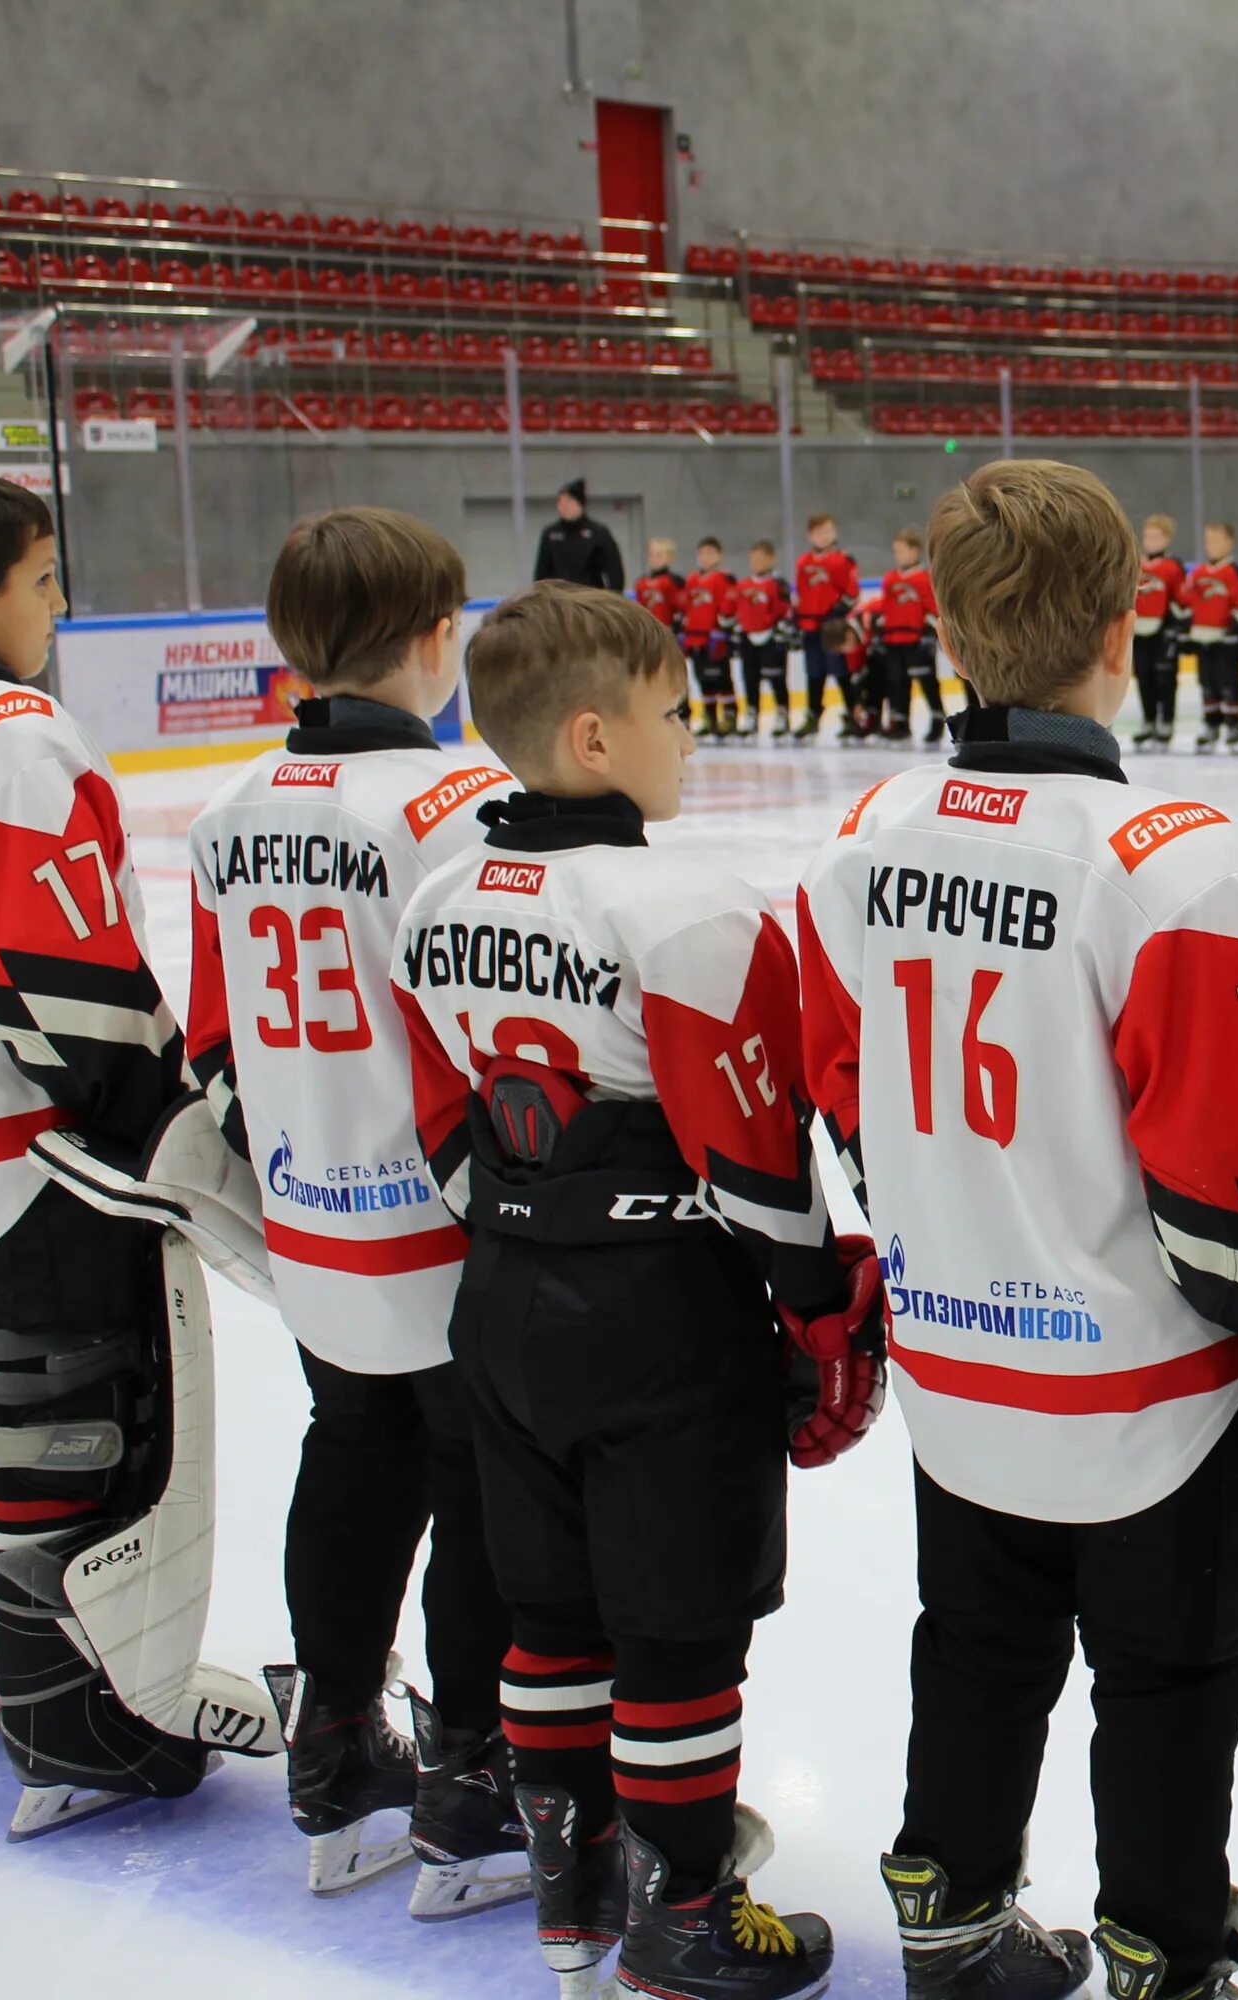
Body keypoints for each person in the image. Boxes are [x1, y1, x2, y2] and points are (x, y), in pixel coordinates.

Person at [795, 459, 1238, 2000]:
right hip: (1151, 1389)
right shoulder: (1180, 868)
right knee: (1167, 1681)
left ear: (941, 634)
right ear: (1128, 625)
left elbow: (846, 1096)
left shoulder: (861, 839)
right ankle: (1160, 1947)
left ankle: (948, 1913)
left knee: (976, 1646)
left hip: (959, 1364)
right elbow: (1231, 1190)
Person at [391, 582, 882, 2000]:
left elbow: (445, 1127)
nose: (694, 732)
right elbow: (754, 1155)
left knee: (550, 1618)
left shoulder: (441, 895)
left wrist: (536, 1226)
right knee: (678, 1631)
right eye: (674, 713)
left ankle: (574, 1888)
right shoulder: (689, 905)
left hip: (504, 1305)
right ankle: (684, 1915)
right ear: (598, 736)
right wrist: (816, 1309)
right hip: (661, 1318)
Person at [0, 461, 280, 1832]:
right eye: (42, 582)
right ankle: (73, 1719)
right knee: (70, 1409)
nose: (58, 608)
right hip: (19, 1153)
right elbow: (52, 979)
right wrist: (167, 1127)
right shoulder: (2, 734)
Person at [185, 509, 524, 1912]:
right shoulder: (455, 808)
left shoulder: (228, 813)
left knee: (354, 1447)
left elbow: (214, 1044)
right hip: (443, 1222)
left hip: (312, 1213)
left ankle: (331, 1749)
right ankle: (473, 1770)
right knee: (479, 1488)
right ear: (441, 640)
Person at [1184, 520, 1238, 754]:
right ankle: (1211, 724)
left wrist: (1235, 628)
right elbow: (1190, 603)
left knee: (1229, 684)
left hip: (1226, 641)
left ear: (1230, 542)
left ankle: (1234, 726)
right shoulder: (1198, 573)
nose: (1211, 545)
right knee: (1207, 684)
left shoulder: (1236, 572)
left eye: (1217, 540)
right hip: (1203, 638)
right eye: (1208, 540)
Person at [871, 529, 941, 746]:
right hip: (893, 640)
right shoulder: (890, 579)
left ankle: (938, 721)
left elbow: (934, 609)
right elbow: (885, 608)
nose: (898, 555)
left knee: (927, 681)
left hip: (917, 640)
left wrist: (930, 632)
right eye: (895, 551)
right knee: (897, 683)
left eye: (901, 550)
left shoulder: (925, 579)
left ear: (914, 551)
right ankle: (901, 725)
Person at [794, 514, 860, 742]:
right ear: (810, 535)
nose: (824, 536)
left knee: (842, 673)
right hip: (810, 627)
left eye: (828, 531)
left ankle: (853, 716)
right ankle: (813, 716)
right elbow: (802, 595)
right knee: (814, 674)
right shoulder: (803, 563)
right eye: (819, 532)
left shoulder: (842, 560)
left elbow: (852, 593)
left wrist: (837, 616)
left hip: (832, 627)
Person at [1133, 513, 1190, 752]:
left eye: (1156, 536)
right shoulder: (1136, 564)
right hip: (1139, 629)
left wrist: (1177, 629)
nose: (1150, 540)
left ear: (1167, 539)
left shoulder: (1172, 568)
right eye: (1147, 535)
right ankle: (1149, 720)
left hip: (1162, 631)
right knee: (1143, 677)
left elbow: (1182, 600)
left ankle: (1166, 721)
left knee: (1164, 677)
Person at [735, 539, 796, 741]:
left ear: (771, 559)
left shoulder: (778, 584)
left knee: (776, 678)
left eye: (761, 558)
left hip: (772, 637)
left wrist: (781, 630)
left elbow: (786, 610)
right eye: (753, 559)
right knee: (750, 678)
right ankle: (752, 715)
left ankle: (782, 715)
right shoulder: (743, 585)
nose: (757, 562)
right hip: (749, 637)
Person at [680, 537, 738, 742]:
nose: (705, 558)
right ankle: (710, 716)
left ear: (719, 556)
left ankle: (730, 716)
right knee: (702, 679)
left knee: (721, 678)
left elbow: (728, 608)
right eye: (702, 554)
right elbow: (686, 608)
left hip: (715, 638)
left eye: (710, 554)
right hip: (695, 638)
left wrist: (722, 630)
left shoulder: (724, 579)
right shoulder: (692, 580)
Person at [531, 479, 625, 595]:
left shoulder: (598, 533)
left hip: (590, 599)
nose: (563, 505)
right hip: (559, 600)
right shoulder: (550, 534)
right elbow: (541, 573)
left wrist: (612, 600)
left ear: (580, 503)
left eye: (569, 501)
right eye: (560, 501)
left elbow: (615, 571)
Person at [634, 537, 687, 642]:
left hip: (668, 634)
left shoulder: (674, 581)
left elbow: (681, 609)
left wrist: (675, 630)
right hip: (647, 634)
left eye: (659, 555)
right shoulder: (641, 582)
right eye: (651, 554)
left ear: (669, 558)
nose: (654, 558)